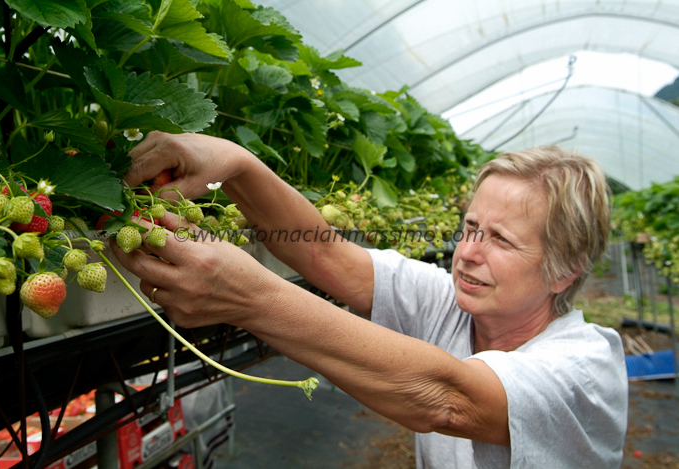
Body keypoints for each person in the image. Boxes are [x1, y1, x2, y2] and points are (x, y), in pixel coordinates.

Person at [114, 131, 628, 468]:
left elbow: (448, 399)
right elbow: (328, 255)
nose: (468, 253)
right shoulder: (452, 305)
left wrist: (251, 298)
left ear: (566, 270)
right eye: (471, 227)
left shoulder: (584, 369)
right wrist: (236, 164)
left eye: (502, 240)